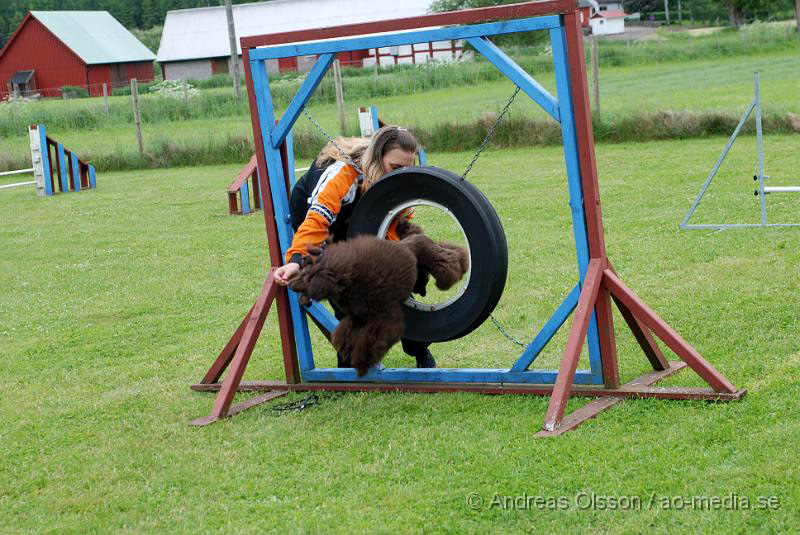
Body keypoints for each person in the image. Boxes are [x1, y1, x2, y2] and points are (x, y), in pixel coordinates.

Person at [274, 125, 436, 369]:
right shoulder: (343, 174)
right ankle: (348, 364)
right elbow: (317, 221)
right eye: (394, 167)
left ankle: (419, 349)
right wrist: (297, 261)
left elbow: (398, 226)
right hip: (324, 221)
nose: (400, 174)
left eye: (407, 167)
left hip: (361, 214)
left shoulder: (395, 181)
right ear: (375, 159)